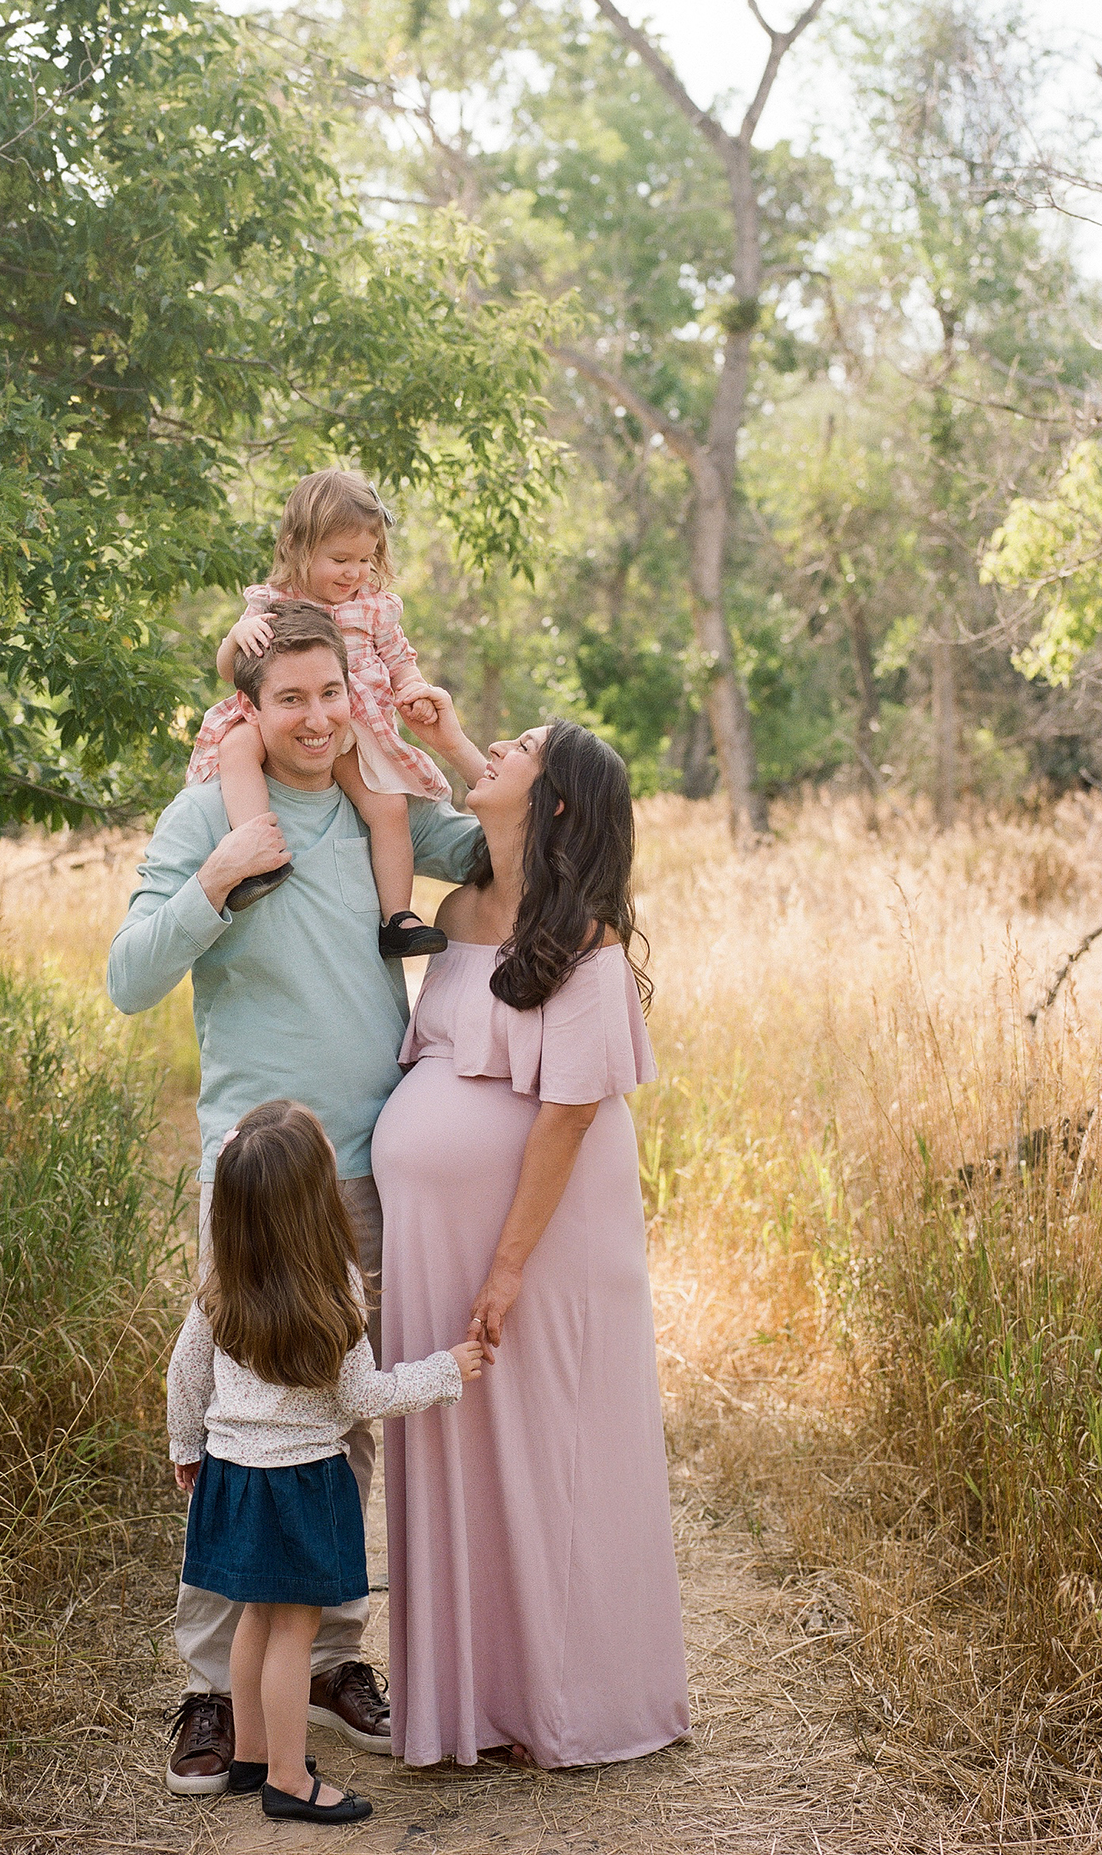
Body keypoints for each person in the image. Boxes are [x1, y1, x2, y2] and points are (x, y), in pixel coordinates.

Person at [105, 597, 482, 1793]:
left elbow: (505, 845)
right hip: (256, 1176)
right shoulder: (212, 812)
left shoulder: (382, 796)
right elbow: (127, 980)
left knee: (343, 1421)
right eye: (291, 700)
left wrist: (463, 750)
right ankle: (215, 1689)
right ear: (250, 711)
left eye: (331, 694)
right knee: (238, 1426)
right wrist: (214, 881)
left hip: (369, 1164)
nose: (316, 720)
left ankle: (329, 1657)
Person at [372, 718, 691, 1770]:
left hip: (542, 1239)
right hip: (438, 1238)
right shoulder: (463, 904)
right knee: (459, 1448)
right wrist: (449, 734)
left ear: (552, 803)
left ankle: (566, 1700)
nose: (489, 754)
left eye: (517, 748)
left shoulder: (582, 937)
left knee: (551, 1452)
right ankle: (477, 1700)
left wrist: (506, 1269)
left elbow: (567, 1115)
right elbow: (497, 796)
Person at [167, 1100, 486, 1824]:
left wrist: (187, 1448)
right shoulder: (332, 1288)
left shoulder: (220, 1286)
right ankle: (287, 1779)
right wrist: (444, 1372)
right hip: (301, 1486)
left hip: (234, 1480)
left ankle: (251, 1753)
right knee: (294, 1632)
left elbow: (182, 1373)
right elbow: (363, 1395)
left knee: (254, 1618)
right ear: (317, 1199)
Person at [187, 468, 449, 959]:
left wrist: (412, 688)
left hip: (352, 723)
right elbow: (230, 669)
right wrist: (234, 639)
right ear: (298, 547)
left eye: (365, 560)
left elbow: (400, 661)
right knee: (237, 745)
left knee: (387, 808)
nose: (353, 573)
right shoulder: (272, 602)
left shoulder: (374, 608)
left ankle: (397, 917)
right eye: (339, 559)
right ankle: (256, 856)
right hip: (283, 721)